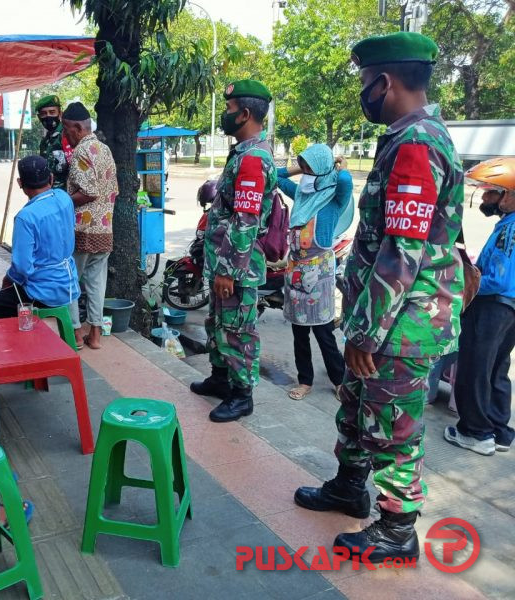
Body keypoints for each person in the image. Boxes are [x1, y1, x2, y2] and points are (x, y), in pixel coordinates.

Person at [294, 32, 465, 563]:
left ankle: (396, 531)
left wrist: (365, 332)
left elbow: (402, 252)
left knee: (393, 426)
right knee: (358, 408)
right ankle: (349, 487)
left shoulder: (416, 143)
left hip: (401, 322)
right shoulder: (407, 136)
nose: (363, 94)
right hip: (386, 316)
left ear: (385, 82)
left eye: (365, 84)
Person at [189, 79, 276, 423]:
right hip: (223, 259)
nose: (226, 115)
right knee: (219, 322)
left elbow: (246, 219)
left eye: (229, 109)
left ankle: (242, 396)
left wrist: (228, 270)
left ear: (246, 113)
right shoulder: (243, 151)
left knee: (238, 328)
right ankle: (221, 378)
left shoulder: (254, 158)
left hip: (237, 264)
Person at [445, 157, 515, 456]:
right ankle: (499, 430)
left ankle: (475, 432)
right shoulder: (507, 224)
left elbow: (497, 279)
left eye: (491, 192)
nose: (485, 198)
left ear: (509, 196)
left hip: (492, 307)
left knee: (475, 368)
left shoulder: (508, 231)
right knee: (497, 368)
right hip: (509, 310)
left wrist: (466, 283)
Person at [278, 146, 353, 401]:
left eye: (310, 168)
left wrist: (334, 165)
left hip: (319, 273)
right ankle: (305, 380)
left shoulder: (334, 198)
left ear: (322, 169)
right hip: (296, 272)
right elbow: (275, 177)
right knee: (299, 332)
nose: (306, 173)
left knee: (323, 332)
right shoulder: (301, 193)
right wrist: (299, 166)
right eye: (304, 168)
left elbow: (345, 180)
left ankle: (339, 380)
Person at [0, 156, 80, 321]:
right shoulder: (64, 198)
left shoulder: (26, 217)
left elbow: (22, 268)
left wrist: (8, 280)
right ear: (51, 178)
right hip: (69, 282)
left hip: (43, 292)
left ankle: (19, 342)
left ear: (20, 184)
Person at [63, 102, 119, 350]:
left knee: (70, 280)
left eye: (67, 130)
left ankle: (75, 334)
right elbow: (112, 190)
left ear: (77, 127)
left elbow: (89, 191)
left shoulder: (81, 152)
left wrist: (62, 201)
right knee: (97, 282)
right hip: (105, 229)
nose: (65, 135)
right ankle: (95, 335)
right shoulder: (104, 150)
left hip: (82, 231)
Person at [36, 94, 71, 190]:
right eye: (44, 113)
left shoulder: (67, 135)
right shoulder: (44, 141)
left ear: (60, 114)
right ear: (39, 117)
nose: (48, 116)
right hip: (50, 192)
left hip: (66, 194)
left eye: (52, 112)